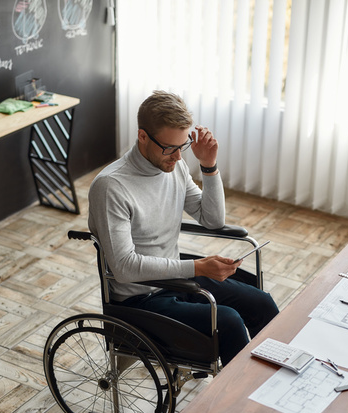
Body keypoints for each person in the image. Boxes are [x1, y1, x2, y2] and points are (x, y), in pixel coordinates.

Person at [88, 90, 279, 365]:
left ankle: (276, 378)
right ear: (142, 136)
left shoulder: (172, 166)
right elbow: (125, 268)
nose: (178, 157)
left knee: (261, 303)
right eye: (169, 148)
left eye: (182, 147)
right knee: (228, 321)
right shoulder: (111, 187)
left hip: (174, 277)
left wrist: (208, 165)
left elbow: (212, 220)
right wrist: (198, 267)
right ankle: (239, 402)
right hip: (141, 297)